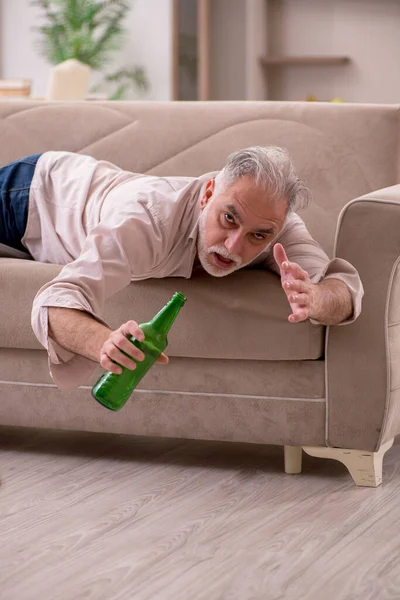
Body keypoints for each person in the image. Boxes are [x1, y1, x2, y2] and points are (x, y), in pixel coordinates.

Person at [0, 147, 363, 389]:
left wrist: (314, 297)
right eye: (228, 218)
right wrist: (103, 343)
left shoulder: (277, 229)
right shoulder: (147, 219)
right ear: (207, 194)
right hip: (34, 193)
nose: (234, 246)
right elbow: (57, 298)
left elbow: (340, 289)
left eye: (258, 236)